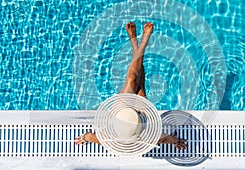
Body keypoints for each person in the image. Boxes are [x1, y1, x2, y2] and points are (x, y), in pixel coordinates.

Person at [75, 22, 187, 150]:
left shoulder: (109, 140)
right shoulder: (147, 138)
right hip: (142, 114)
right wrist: (176, 141)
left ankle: (139, 43)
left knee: (133, 77)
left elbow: (91, 137)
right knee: (140, 82)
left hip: (121, 108)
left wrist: (85, 137)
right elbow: (165, 138)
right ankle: (138, 44)